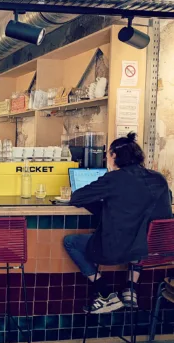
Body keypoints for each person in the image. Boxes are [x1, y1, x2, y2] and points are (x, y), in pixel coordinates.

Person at [64, 133, 172, 314]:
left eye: (108, 154)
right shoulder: (158, 178)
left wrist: (102, 203)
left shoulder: (114, 178)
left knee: (71, 242)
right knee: (141, 232)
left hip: (116, 249)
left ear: (114, 156)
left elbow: (77, 197)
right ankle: (130, 290)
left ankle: (106, 294)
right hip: (152, 249)